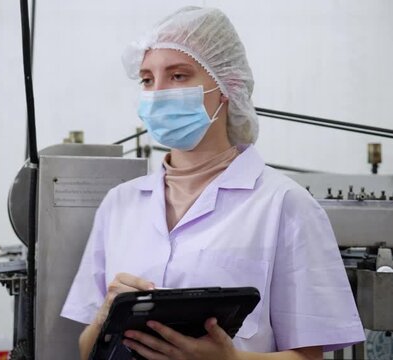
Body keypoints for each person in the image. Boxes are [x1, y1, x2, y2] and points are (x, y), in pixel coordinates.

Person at [62, 6, 365, 360]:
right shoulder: (119, 203)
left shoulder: (284, 204)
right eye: (147, 79)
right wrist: (104, 316)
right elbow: (86, 351)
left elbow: (307, 357)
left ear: (227, 86)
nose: (157, 93)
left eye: (178, 76)